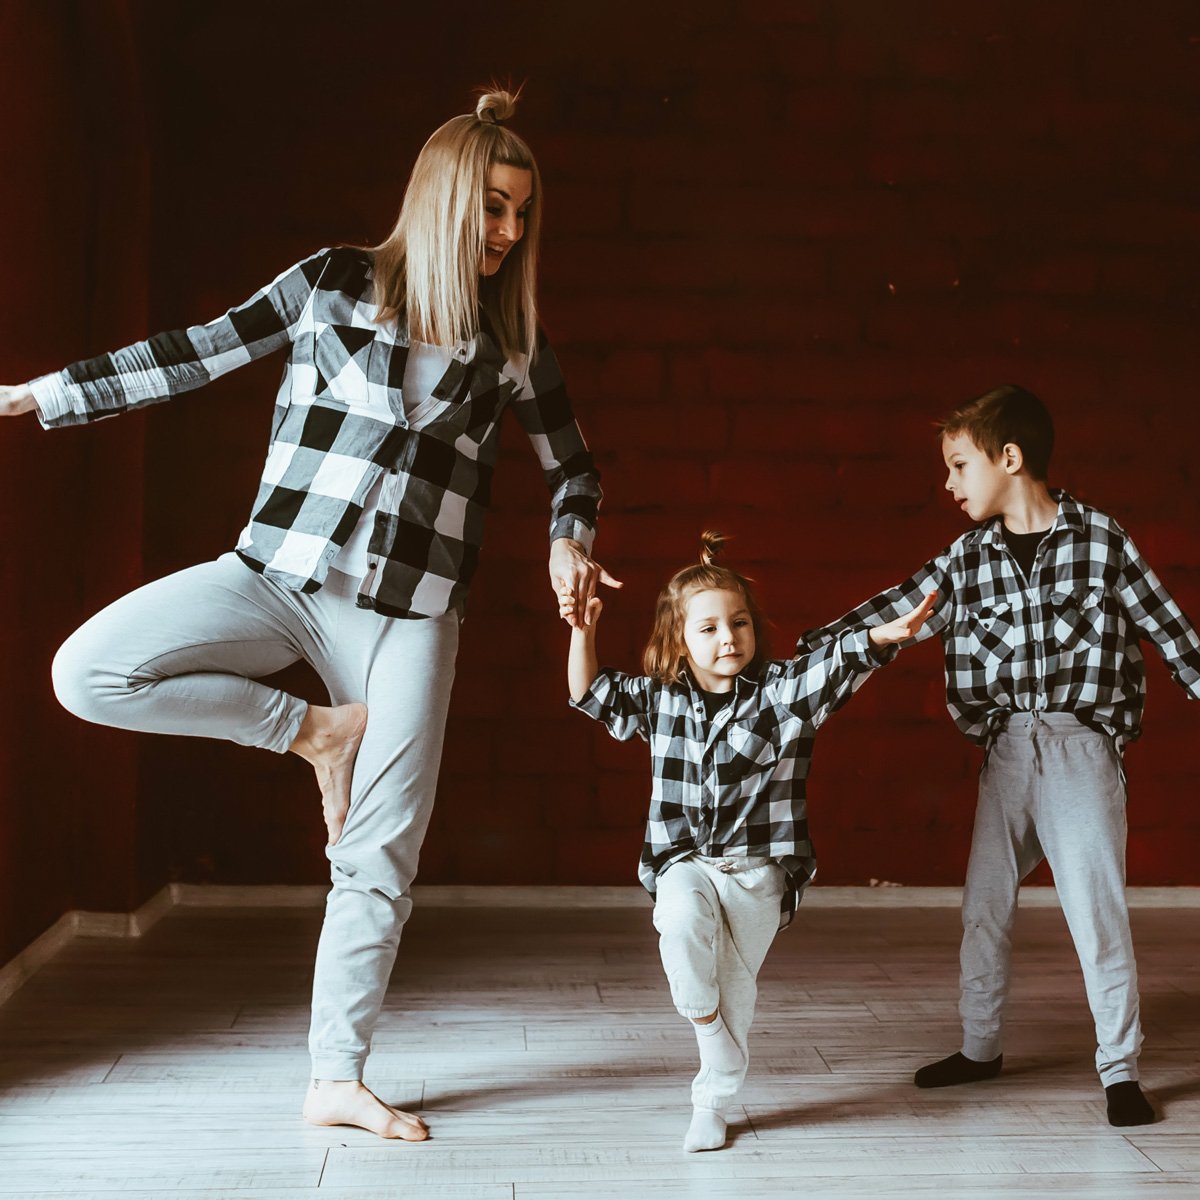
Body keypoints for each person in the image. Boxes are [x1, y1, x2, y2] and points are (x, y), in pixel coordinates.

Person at [0, 88, 619, 1141]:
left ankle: (336, 1077)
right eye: (494, 209)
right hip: (277, 578)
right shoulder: (332, 283)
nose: (511, 233)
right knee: (87, 672)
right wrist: (43, 394)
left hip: (410, 616)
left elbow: (577, 469)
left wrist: (570, 538)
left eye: (524, 214)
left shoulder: (514, 341)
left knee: (381, 849)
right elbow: (197, 350)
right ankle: (313, 734)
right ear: (443, 197)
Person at [798, 384, 1200, 1128]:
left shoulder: (1102, 541)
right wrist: (806, 657)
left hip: (1081, 752)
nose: (949, 484)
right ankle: (980, 1049)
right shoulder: (966, 559)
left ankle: (1120, 1072)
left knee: (1097, 916)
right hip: (1008, 753)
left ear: (1009, 458)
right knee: (984, 908)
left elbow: (1174, 633)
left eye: (959, 466)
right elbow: (895, 611)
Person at [564, 532, 935, 1152]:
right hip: (684, 861)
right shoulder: (660, 700)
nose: (728, 638)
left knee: (735, 987)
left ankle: (711, 1102)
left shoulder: (781, 695)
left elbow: (835, 665)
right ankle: (712, 1038)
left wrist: (877, 639)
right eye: (708, 628)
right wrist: (582, 630)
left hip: (758, 873)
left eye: (738, 623)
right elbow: (589, 694)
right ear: (678, 639)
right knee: (680, 923)